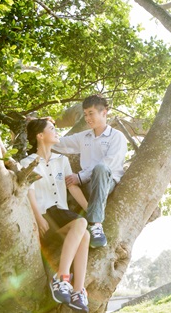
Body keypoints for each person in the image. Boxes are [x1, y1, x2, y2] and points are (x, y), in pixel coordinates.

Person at [21, 118, 90, 312]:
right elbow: (29, 191)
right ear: (40, 136)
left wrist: (91, 210)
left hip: (61, 213)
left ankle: (77, 291)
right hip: (44, 214)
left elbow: (72, 187)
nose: (56, 131)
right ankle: (62, 277)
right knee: (81, 224)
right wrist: (38, 217)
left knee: (84, 232)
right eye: (52, 129)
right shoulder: (27, 162)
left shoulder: (62, 160)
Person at [52, 94, 127, 248]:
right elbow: (61, 143)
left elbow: (109, 163)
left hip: (107, 182)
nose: (87, 118)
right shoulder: (84, 136)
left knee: (101, 168)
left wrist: (80, 176)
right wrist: (40, 129)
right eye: (85, 114)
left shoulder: (116, 136)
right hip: (87, 185)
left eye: (91, 113)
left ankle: (96, 225)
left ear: (104, 112)